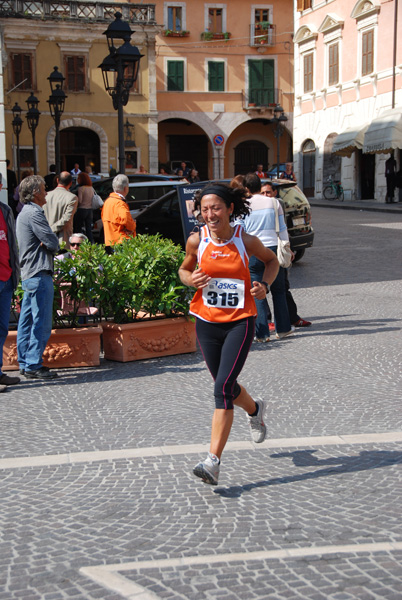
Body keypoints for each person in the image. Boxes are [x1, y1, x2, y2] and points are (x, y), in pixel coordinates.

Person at [178, 183, 279, 485]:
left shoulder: (245, 240)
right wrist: (190, 279)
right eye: (205, 209)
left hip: (240, 321)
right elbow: (183, 270)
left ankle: (213, 462)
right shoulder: (197, 240)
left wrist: (265, 286)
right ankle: (255, 408)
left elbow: (272, 262)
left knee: (222, 388)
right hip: (206, 322)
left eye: (216, 208)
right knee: (226, 385)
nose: (210, 214)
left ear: (230, 209)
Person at [240, 173, 294, 341]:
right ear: (259, 185)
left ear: (247, 188)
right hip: (272, 249)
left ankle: (262, 333)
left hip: (253, 250)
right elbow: (282, 227)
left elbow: (239, 229)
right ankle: (283, 329)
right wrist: (287, 247)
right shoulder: (274, 202)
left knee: (257, 291)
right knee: (278, 291)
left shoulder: (243, 205)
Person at [16, 175, 60, 379]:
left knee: (27, 321)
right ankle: (33, 363)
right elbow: (52, 241)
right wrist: (51, 245)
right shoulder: (34, 213)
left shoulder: (25, 212)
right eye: (43, 189)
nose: (46, 192)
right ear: (35, 193)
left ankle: (25, 362)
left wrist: (48, 243)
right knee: (40, 322)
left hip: (30, 274)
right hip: (38, 272)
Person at [260, 183, 311, 329]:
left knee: (282, 286)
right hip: (259, 250)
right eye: (263, 193)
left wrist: (288, 249)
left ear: (274, 192)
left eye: (268, 192)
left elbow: (283, 229)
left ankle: (292, 317)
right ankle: (267, 320)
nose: (266, 196)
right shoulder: (255, 207)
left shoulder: (277, 205)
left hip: (276, 249)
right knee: (261, 286)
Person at [0, 173, 21, 392]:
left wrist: (15, 276)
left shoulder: (5, 211)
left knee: (2, 329)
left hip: (6, 278)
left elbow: (12, 246)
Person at [101, 174, 136, 252]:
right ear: (125, 188)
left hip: (109, 240)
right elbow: (126, 219)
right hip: (120, 241)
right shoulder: (119, 203)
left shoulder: (108, 201)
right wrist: (133, 226)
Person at [44, 172, 78, 248]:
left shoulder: (46, 195)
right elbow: (66, 219)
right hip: (62, 238)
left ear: (57, 180)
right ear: (70, 183)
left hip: (46, 237)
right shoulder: (72, 197)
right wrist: (52, 229)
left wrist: (47, 230)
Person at [74, 172, 94, 243]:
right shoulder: (91, 188)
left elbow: (80, 201)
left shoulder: (81, 188)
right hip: (89, 210)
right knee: (88, 228)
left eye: (78, 178)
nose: (77, 180)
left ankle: (80, 242)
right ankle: (91, 242)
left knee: (78, 227)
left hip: (82, 209)